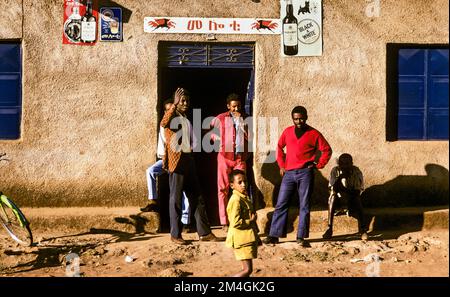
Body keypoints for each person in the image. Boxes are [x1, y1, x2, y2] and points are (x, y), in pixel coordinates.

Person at [263, 106, 332, 247]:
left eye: (301, 118)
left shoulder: (314, 133)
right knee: (281, 203)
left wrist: (318, 165)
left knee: (304, 205)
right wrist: (282, 165)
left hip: (305, 173)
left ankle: (301, 237)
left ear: (306, 117)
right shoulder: (288, 132)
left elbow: (327, 150)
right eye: (295, 119)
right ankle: (274, 235)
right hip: (288, 174)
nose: (298, 121)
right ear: (292, 119)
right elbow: (279, 147)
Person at [160, 87, 219, 245]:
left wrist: (192, 147)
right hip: (177, 163)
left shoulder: (185, 118)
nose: (185, 103)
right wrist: (173, 104)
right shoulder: (172, 117)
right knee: (176, 199)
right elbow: (163, 122)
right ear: (176, 102)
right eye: (182, 101)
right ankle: (175, 234)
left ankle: (204, 232)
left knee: (197, 197)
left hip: (188, 161)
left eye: (187, 101)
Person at [140, 98, 191, 228]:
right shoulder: (163, 125)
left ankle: (185, 222)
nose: (171, 112)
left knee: (183, 190)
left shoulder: (183, 123)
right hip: (165, 160)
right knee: (150, 171)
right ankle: (153, 200)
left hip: (178, 160)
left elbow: (192, 141)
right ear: (165, 111)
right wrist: (163, 157)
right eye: (168, 110)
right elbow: (163, 144)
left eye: (172, 110)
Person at [211, 94, 249, 231]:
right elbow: (209, 129)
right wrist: (217, 138)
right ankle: (224, 221)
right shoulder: (221, 118)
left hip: (239, 158)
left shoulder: (246, 118)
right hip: (224, 157)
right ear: (228, 106)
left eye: (238, 106)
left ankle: (241, 218)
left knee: (241, 187)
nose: (236, 108)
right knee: (223, 189)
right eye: (233, 106)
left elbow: (251, 137)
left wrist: (242, 124)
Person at [322, 153, 368, 241]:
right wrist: (340, 178)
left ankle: (363, 230)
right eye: (342, 163)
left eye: (347, 163)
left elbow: (357, 192)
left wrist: (344, 192)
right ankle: (329, 228)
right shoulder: (335, 171)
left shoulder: (356, 171)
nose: (345, 166)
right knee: (332, 198)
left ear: (352, 163)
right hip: (338, 201)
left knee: (357, 200)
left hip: (351, 199)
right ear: (339, 164)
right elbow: (333, 189)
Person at [226, 170, 259, 277]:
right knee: (247, 270)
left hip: (246, 239)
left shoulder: (243, 197)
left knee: (246, 269)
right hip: (242, 240)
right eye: (239, 182)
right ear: (232, 185)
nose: (243, 184)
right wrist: (251, 220)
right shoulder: (236, 200)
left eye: (245, 181)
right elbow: (235, 222)